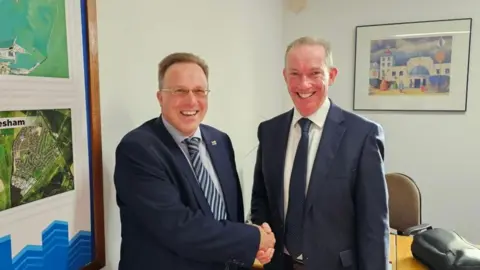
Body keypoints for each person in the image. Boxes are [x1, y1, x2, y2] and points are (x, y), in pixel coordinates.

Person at [114, 52, 275, 270]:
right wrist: (252, 238)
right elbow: (179, 228)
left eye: (199, 91)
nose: (191, 100)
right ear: (160, 97)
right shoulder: (138, 149)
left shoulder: (220, 140)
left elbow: (228, 216)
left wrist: (250, 248)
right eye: (179, 91)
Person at [250, 36, 390, 270]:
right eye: (295, 74)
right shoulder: (269, 131)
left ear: (332, 75)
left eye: (315, 73)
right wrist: (261, 238)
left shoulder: (363, 135)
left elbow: (374, 226)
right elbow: (261, 198)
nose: (304, 84)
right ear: (285, 76)